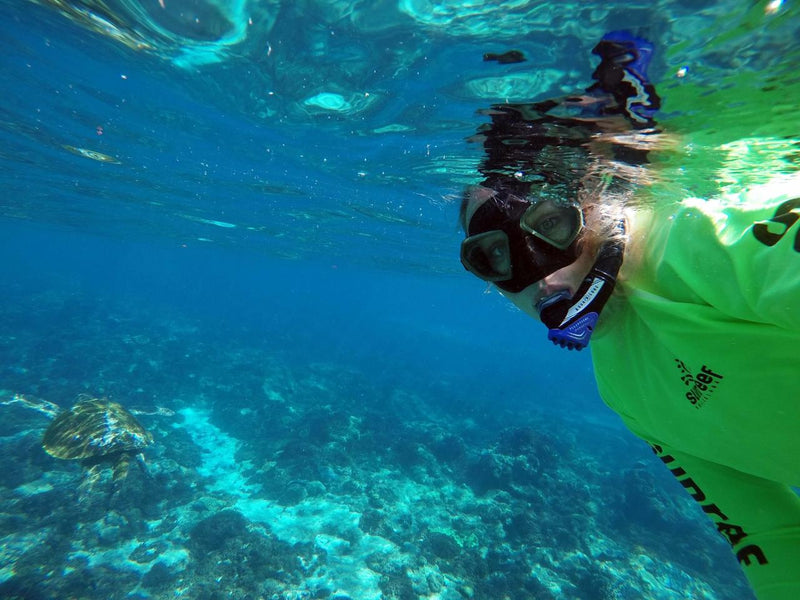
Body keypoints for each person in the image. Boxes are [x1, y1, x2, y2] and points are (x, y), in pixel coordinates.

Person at [459, 30, 800, 600]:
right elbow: (768, 535)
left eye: (552, 225)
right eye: (495, 257)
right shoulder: (623, 389)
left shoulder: (695, 239)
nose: (542, 277)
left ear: (594, 209)